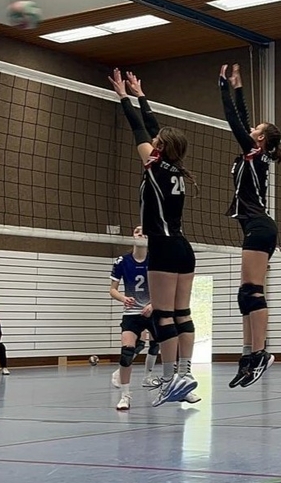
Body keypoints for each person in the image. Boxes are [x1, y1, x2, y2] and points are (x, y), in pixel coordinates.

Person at [110, 69, 197, 406]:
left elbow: (139, 128)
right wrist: (141, 95)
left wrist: (124, 97)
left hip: (162, 246)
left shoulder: (153, 165)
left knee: (163, 315)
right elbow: (154, 128)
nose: (153, 140)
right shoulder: (177, 170)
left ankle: (171, 379)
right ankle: (185, 374)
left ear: (160, 148)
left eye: (157, 140)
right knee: (182, 313)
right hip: (183, 247)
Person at [218, 63, 281, 389]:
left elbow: (234, 121)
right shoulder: (255, 151)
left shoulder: (254, 151)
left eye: (256, 129)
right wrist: (238, 87)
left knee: (253, 291)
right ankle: (247, 357)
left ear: (259, 138)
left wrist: (222, 87)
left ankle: (260, 353)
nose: (251, 129)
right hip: (254, 228)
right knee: (245, 293)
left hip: (260, 227)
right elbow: (244, 120)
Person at [108, 225, 190, 410]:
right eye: (137, 231)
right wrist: (123, 298)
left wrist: (153, 304)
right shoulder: (122, 261)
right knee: (127, 353)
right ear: (132, 236)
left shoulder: (156, 259)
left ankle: (179, 387)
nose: (141, 234)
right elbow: (112, 290)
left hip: (154, 311)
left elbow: (166, 288)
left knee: (169, 347)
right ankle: (125, 396)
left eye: (144, 232)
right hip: (131, 314)